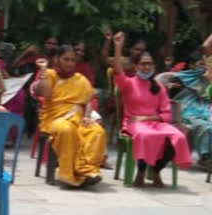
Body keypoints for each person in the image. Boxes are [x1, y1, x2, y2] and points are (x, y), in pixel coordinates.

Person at [112, 31, 191, 187]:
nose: (146, 67)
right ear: (136, 66)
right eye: (143, 64)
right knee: (145, 135)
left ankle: (156, 171)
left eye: (149, 64)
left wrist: (148, 118)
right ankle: (140, 172)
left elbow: (166, 113)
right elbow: (117, 70)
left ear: (154, 66)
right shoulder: (128, 83)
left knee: (179, 137)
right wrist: (118, 47)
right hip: (134, 123)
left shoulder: (159, 87)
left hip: (155, 123)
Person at [32, 46, 106, 187]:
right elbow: (45, 94)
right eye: (66, 59)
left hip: (78, 118)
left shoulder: (80, 79)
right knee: (66, 130)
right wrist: (43, 70)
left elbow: (88, 100)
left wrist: (87, 116)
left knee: (97, 132)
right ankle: (69, 174)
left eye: (72, 60)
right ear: (57, 59)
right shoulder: (49, 74)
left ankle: (87, 171)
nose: (69, 63)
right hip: (54, 119)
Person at [170, 49, 212, 166]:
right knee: (204, 127)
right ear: (191, 65)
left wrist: (209, 81)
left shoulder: (206, 80)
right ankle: (205, 156)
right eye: (201, 64)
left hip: (203, 111)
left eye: (205, 65)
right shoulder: (179, 78)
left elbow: (208, 99)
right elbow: (173, 98)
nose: (204, 67)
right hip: (183, 112)